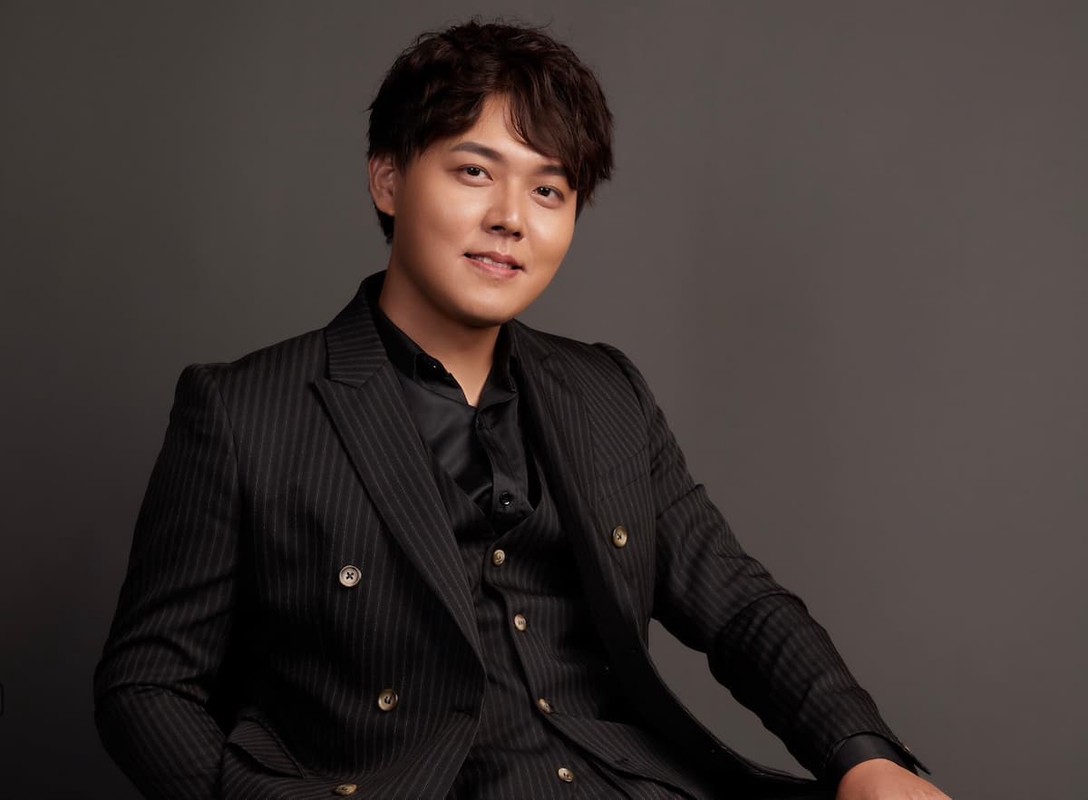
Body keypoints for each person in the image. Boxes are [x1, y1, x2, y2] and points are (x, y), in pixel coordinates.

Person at [94, 20, 951, 800]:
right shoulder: (245, 410)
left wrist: (865, 756)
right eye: (475, 172)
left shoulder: (607, 392)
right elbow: (147, 685)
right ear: (388, 180)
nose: (510, 219)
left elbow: (738, 605)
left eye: (549, 191)